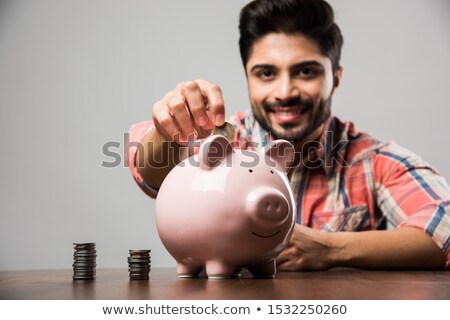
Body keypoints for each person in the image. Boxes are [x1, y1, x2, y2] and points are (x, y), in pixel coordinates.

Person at [127, 0, 449, 270]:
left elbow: (444, 229)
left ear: (335, 78)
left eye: (306, 71)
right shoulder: (222, 142)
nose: (285, 92)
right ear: (248, 78)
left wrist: (332, 248)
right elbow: (149, 171)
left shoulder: (376, 163)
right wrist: (168, 127)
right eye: (266, 73)